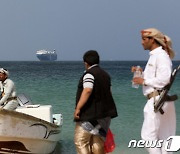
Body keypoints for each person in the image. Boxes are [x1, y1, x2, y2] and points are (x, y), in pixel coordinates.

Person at [132, 28, 176, 154]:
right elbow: (156, 76)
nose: (141, 42)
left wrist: (144, 81)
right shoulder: (157, 56)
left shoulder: (160, 56)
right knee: (164, 139)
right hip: (161, 100)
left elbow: (165, 79)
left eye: (144, 39)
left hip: (157, 100)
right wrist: (140, 73)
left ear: (153, 40)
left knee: (148, 138)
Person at [74, 50, 118, 154]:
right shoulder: (106, 75)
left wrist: (78, 108)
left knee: (81, 141)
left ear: (86, 63)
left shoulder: (89, 74)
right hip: (104, 116)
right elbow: (109, 93)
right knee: (98, 144)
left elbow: (87, 90)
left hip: (89, 116)